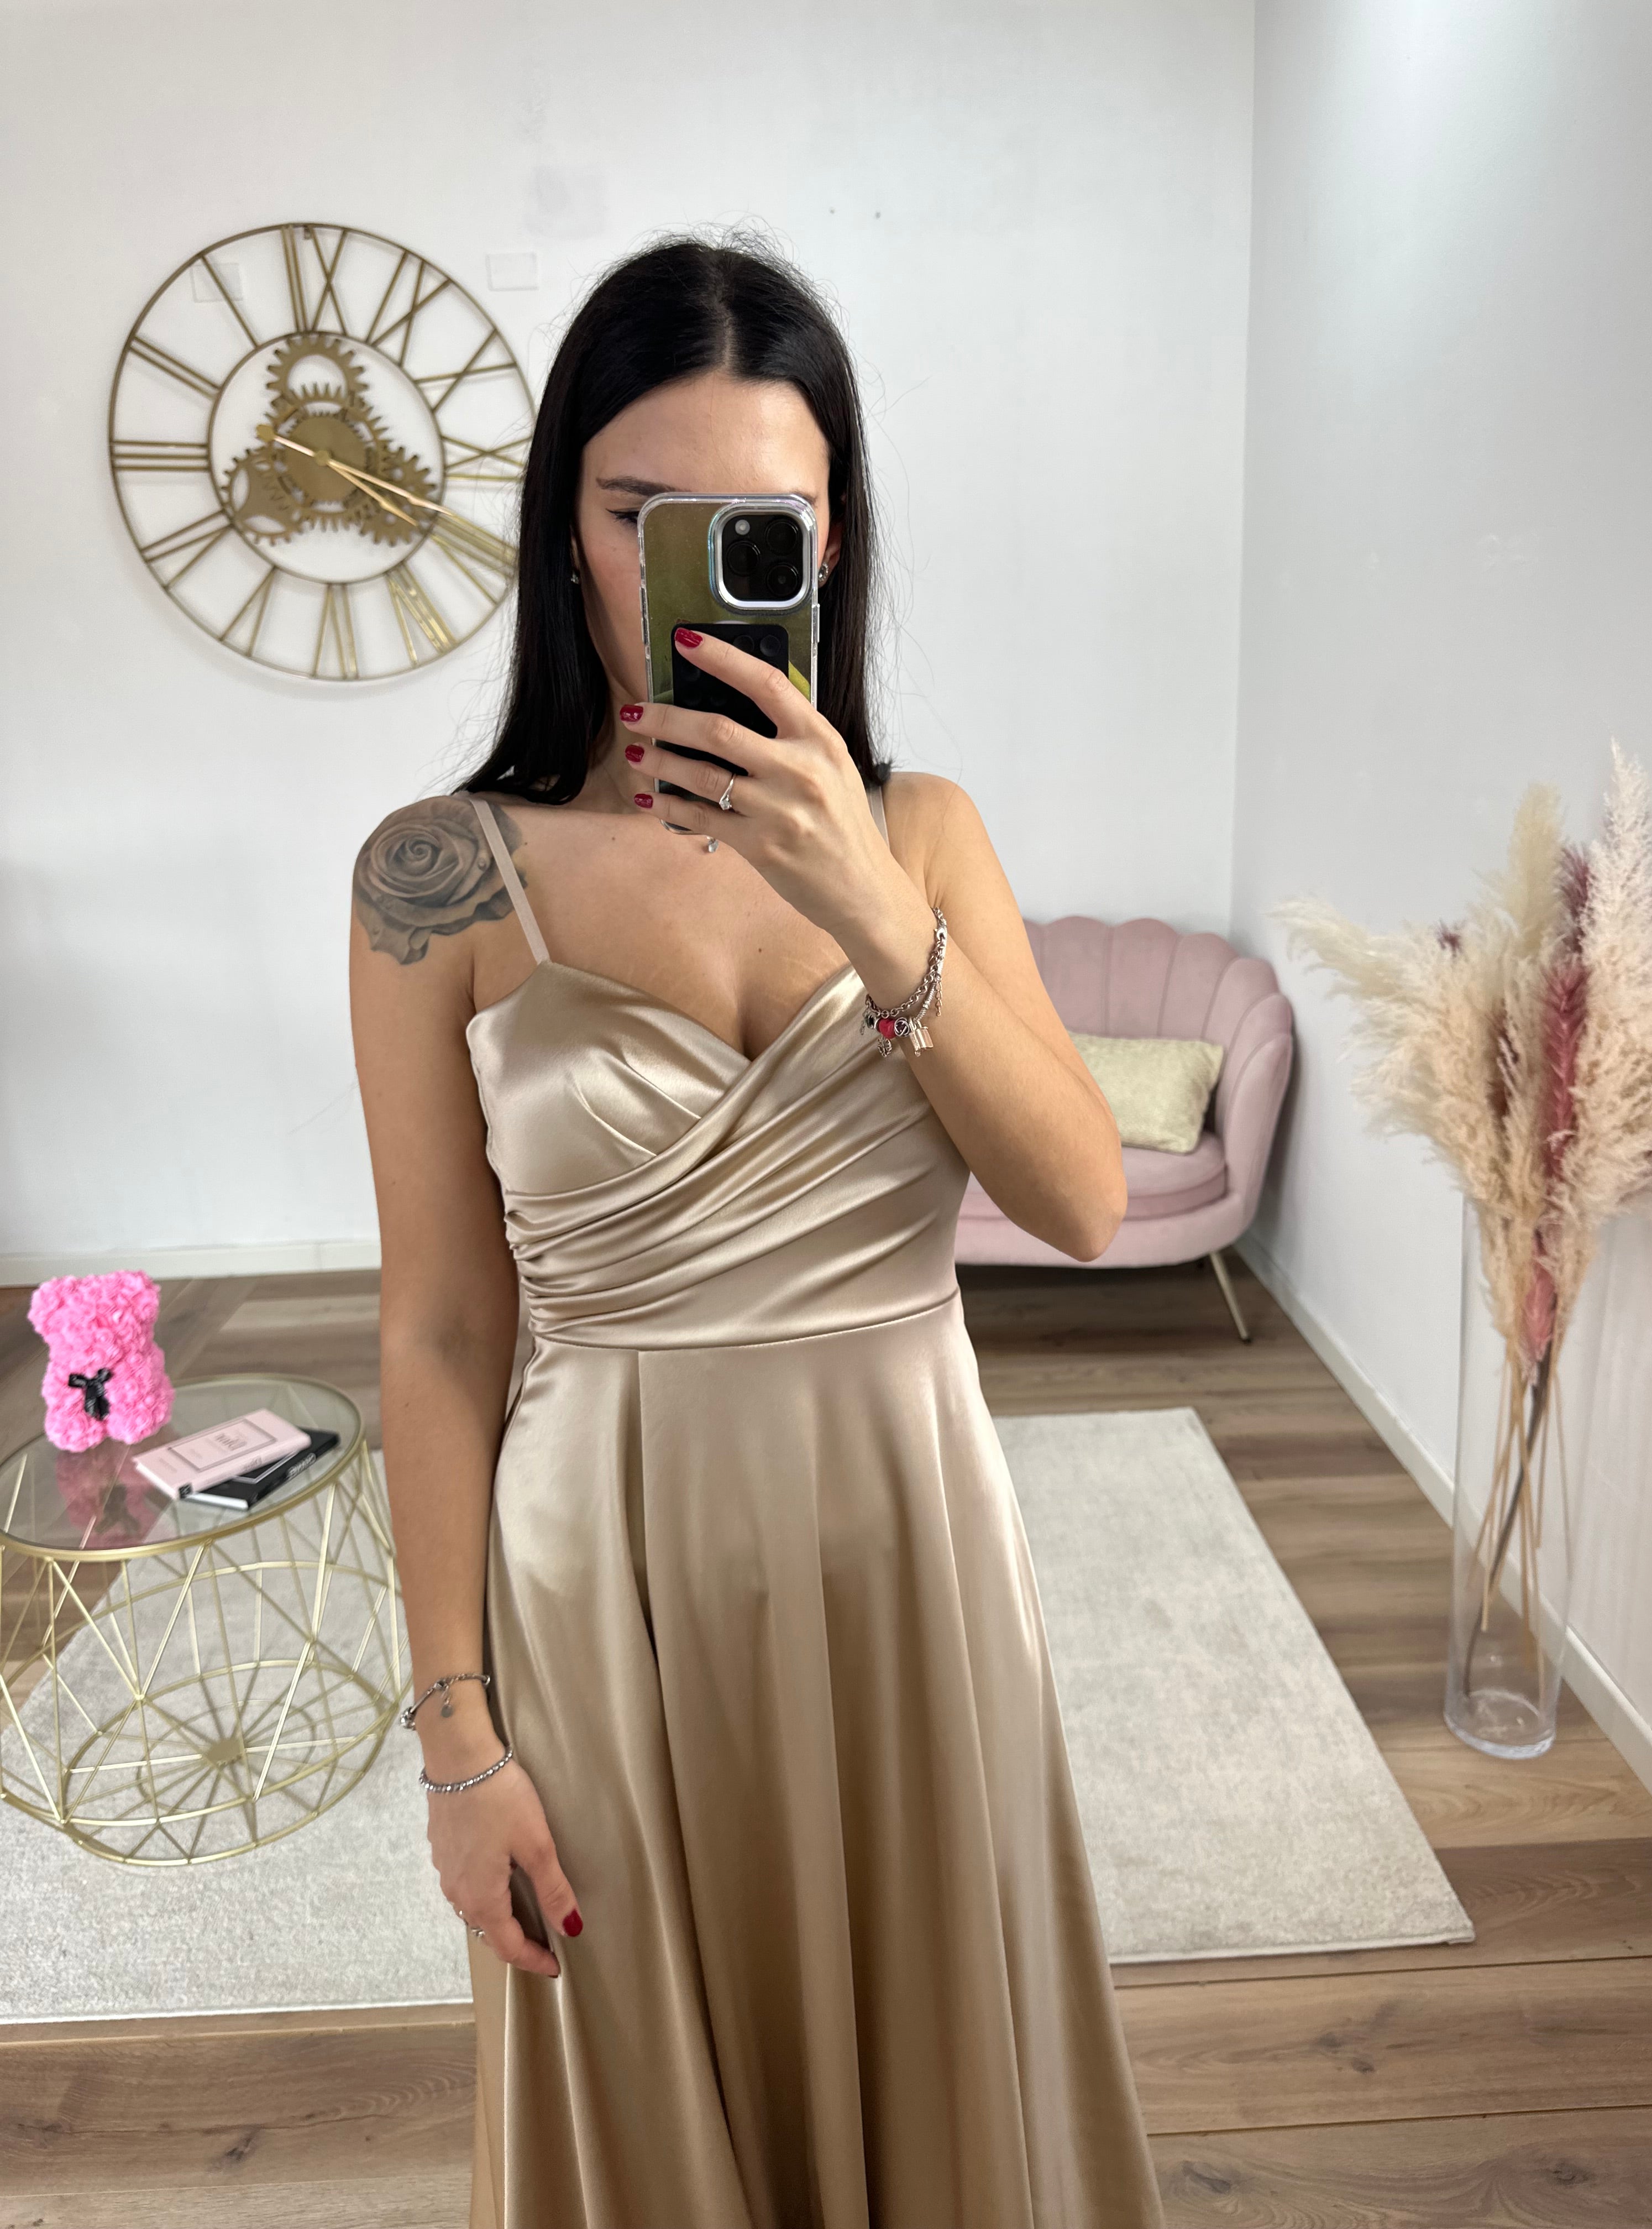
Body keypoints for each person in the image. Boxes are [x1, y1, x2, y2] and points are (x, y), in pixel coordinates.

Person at [349, 236, 1165, 2229]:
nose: (689, 575)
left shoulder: (928, 834)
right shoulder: (433, 879)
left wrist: (876, 909)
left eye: (756, 527)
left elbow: (1081, 1201)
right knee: (646, 2056)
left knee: (934, 2041)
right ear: (564, 533)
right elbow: (440, 1329)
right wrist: (455, 1745)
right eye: (642, 514)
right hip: (599, 1578)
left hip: (909, 1545)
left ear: (827, 541)